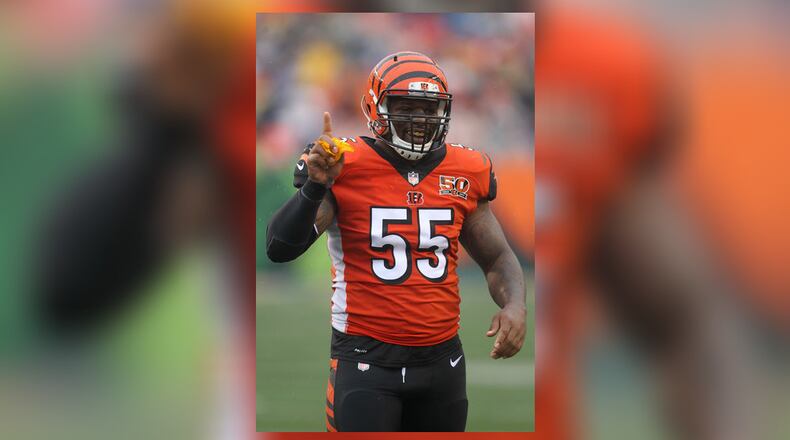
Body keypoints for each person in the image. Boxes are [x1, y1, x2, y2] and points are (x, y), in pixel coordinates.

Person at [265, 51, 526, 432]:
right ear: (376, 108)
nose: (420, 119)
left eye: (429, 109)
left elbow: (498, 257)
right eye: (406, 107)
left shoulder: (466, 170)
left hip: (443, 362)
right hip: (366, 359)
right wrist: (314, 188)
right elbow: (280, 247)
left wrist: (515, 305)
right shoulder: (345, 163)